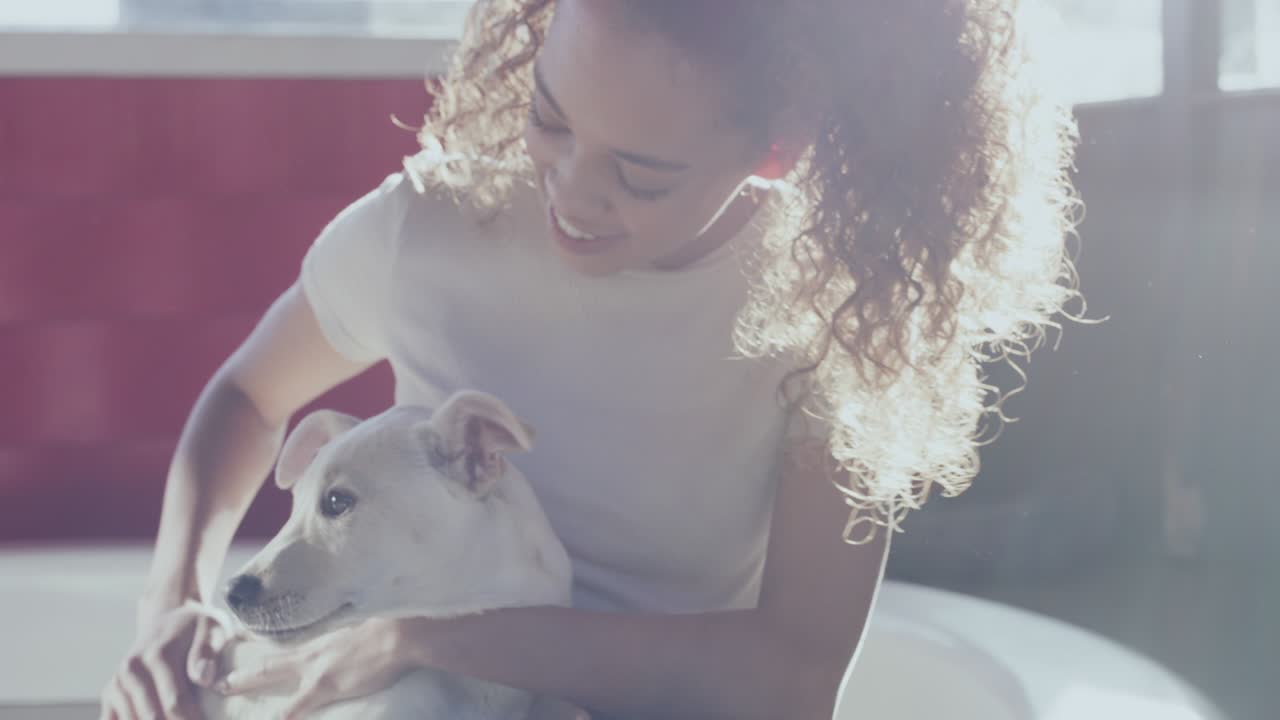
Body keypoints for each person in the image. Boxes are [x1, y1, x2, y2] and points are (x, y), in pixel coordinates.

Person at [99, 0, 1085, 718]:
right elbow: (245, 396)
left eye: (640, 174)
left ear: (775, 150)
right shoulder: (432, 228)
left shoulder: (823, 316)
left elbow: (793, 675)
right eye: (549, 117)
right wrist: (169, 603)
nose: (569, 191)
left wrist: (423, 639)